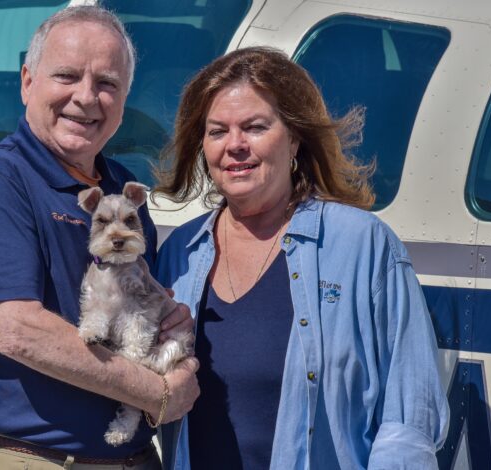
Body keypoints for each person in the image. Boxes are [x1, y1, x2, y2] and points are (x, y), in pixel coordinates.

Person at [153, 47, 449, 469]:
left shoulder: (362, 245)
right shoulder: (179, 253)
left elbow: (409, 418)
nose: (235, 145)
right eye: (217, 131)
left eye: (255, 127)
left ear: (294, 138)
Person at [0, 6, 199, 469]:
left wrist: (171, 324)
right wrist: (157, 392)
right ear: (27, 82)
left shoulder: (122, 192)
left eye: (107, 83)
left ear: (123, 99)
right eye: (66, 76)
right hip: (36, 458)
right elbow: (18, 330)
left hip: (133, 457)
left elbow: (139, 303)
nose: (86, 97)